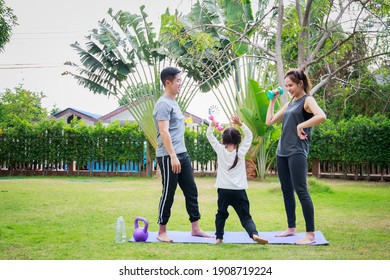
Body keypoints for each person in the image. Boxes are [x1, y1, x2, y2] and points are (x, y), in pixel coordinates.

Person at [266, 68, 327, 245]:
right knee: (287, 191)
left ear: (300, 83)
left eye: (291, 85)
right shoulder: (290, 102)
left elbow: (321, 116)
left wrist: (301, 125)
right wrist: (273, 101)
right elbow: (269, 121)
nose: (289, 89)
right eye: (286, 86)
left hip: (297, 151)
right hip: (282, 152)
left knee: (301, 190)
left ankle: (310, 234)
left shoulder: (308, 100)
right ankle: (291, 228)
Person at [152, 67, 212, 242]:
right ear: (167, 82)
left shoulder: (173, 103)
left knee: (191, 190)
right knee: (168, 192)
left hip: (182, 154)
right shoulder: (163, 104)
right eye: (178, 81)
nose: (180, 85)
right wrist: (172, 156)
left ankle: (196, 228)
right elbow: (164, 131)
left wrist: (178, 154)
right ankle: (162, 231)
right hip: (168, 155)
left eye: (181, 81)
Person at [206, 115, 268, 245]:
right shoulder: (241, 151)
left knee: (221, 215)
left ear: (223, 139)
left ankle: (218, 238)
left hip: (223, 190)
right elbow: (249, 135)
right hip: (239, 191)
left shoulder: (220, 150)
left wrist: (211, 126)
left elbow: (210, 137)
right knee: (245, 217)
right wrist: (240, 124)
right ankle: (254, 235)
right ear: (238, 139)